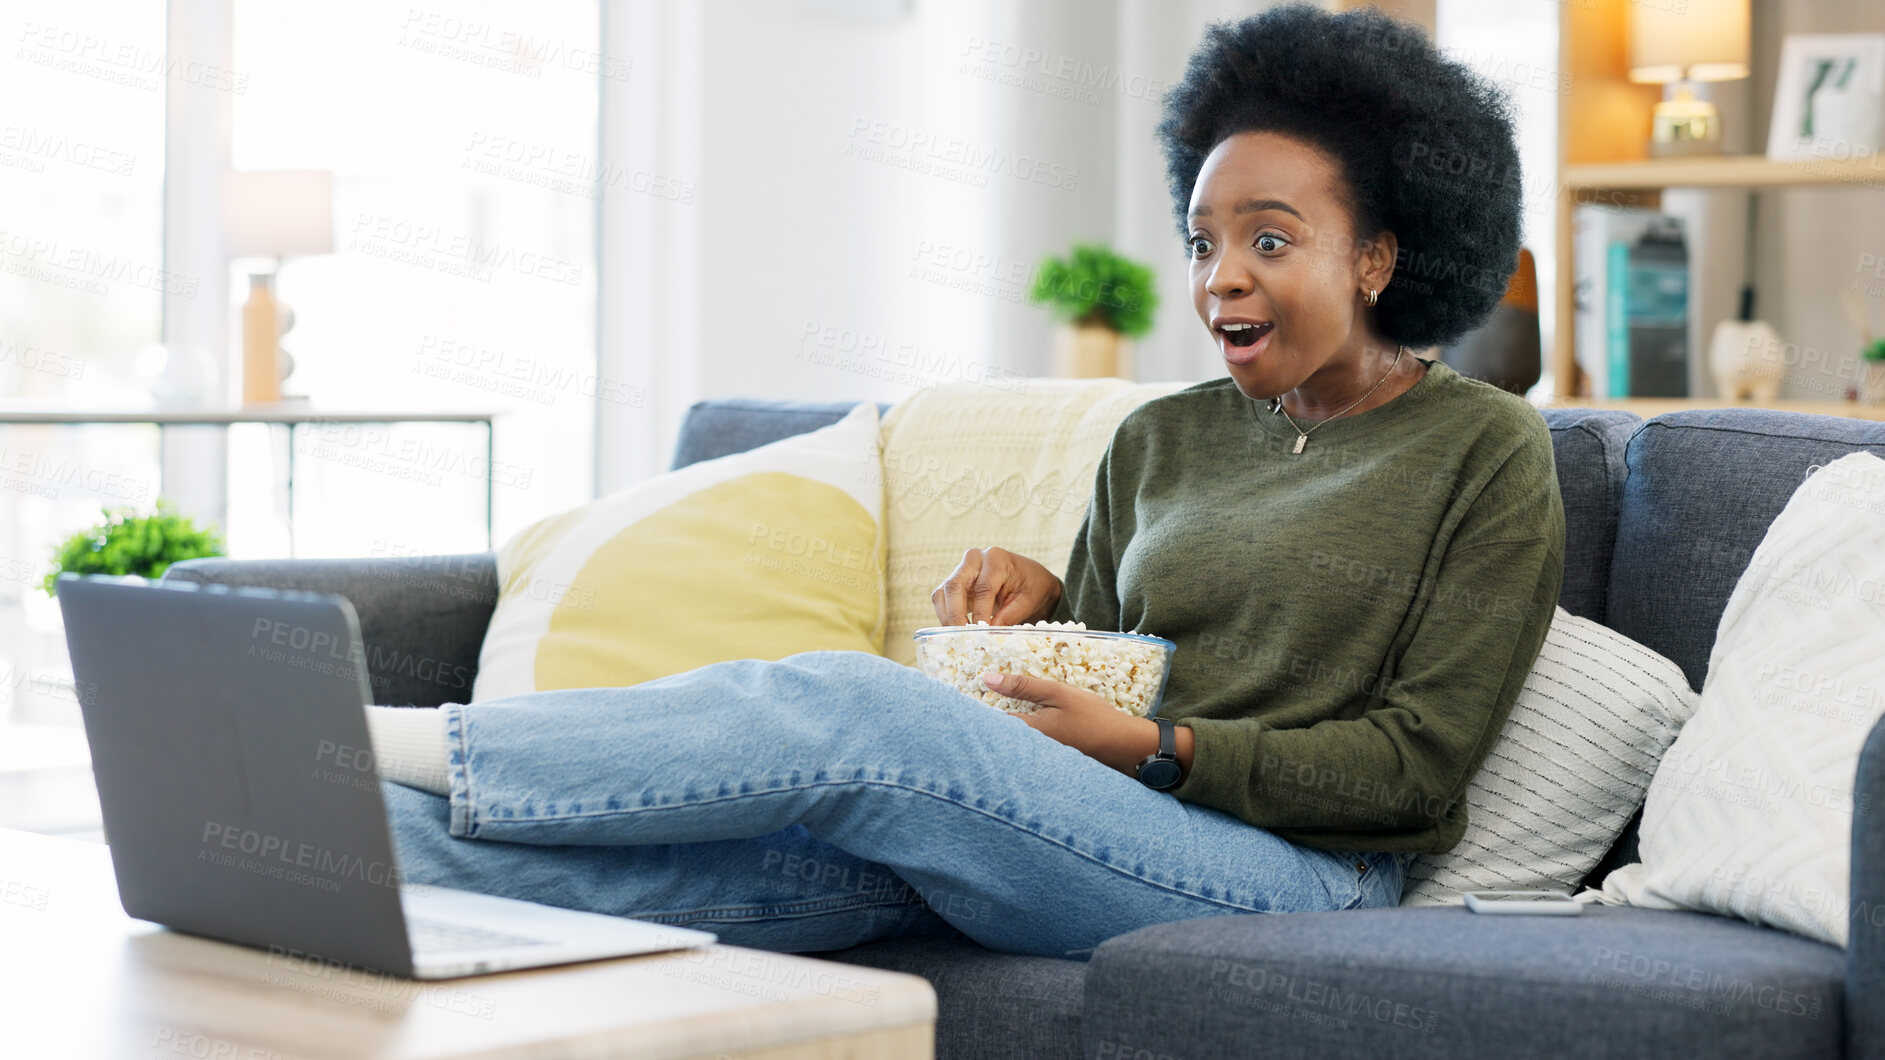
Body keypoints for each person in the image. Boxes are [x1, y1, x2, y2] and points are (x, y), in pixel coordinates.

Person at [370, 4, 1564, 962]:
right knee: (728, 855)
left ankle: (440, 743)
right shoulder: (1167, 436)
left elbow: (1414, 768)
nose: (1220, 281)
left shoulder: (1482, 450)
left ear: (1376, 256)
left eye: (1267, 239)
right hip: (1103, 824)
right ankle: (313, 824)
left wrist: (1159, 747)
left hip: (1301, 874)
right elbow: (1098, 659)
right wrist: (1033, 619)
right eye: (1201, 242)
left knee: (863, 707)